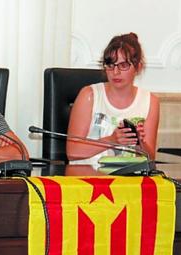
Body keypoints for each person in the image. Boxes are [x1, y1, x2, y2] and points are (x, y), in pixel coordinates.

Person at [66, 32, 159, 164]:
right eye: (110, 65)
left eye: (123, 65)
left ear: (138, 67)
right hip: (86, 178)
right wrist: (112, 140)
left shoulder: (150, 101)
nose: (116, 72)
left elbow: (150, 158)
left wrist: (139, 142)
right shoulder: (89, 95)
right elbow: (72, 152)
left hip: (126, 181)